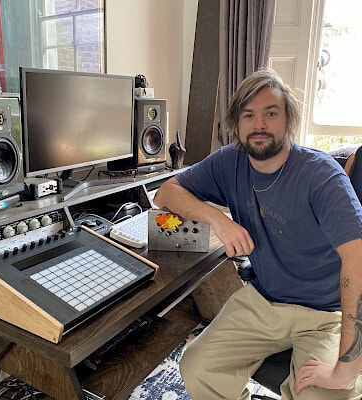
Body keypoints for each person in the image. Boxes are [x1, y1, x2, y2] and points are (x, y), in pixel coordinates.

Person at [154, 69, 362, 400]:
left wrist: (347, 369)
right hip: (263, 300)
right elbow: (166, 192)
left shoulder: (323, 176)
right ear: (236, 124)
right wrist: (218, 220)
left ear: (288, 120)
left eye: (271, 113)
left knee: (326, 395)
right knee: (197, 367)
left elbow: (357, 260)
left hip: (324, 314)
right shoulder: (229, 162)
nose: (259, 124)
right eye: (248, 115)